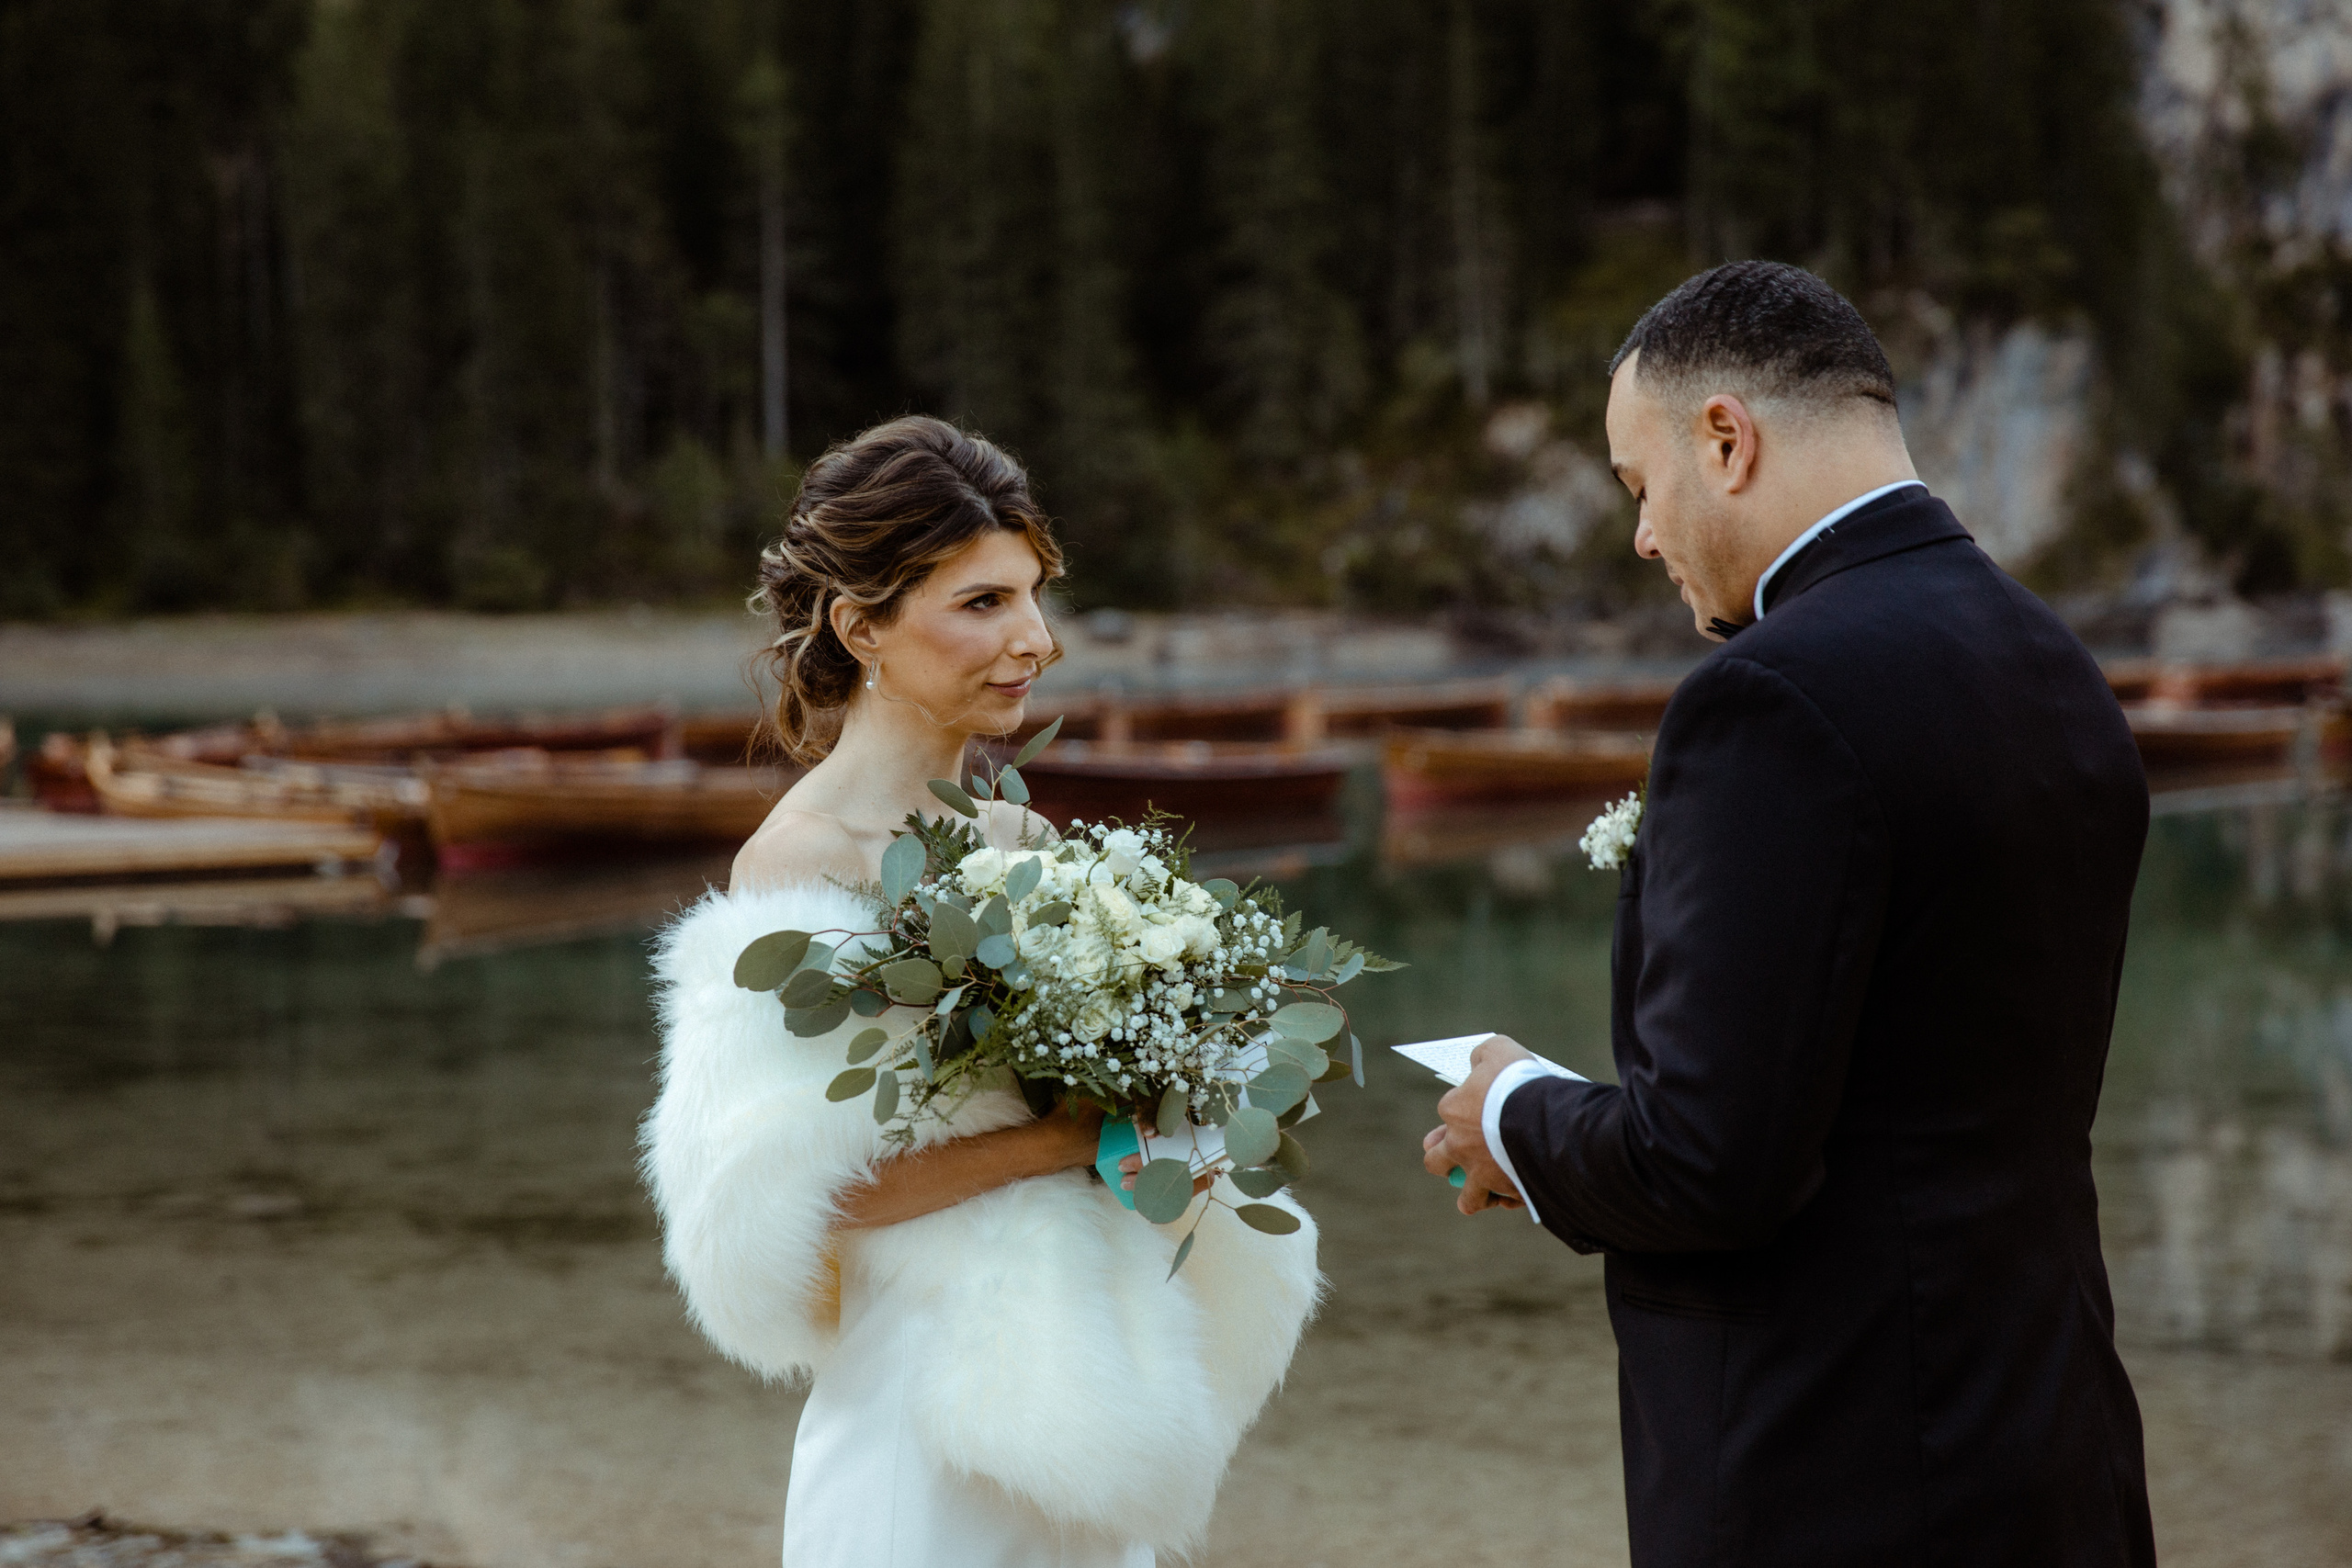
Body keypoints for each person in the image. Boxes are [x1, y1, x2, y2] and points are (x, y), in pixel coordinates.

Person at [1420, 263, 2157, 1566]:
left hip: (1843, 1474)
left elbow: (1710, 1159)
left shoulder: (1772, 699)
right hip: (2053, 1444)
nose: (1643, 537)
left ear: (1727, 438)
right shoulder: (2055, 665)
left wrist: (1514, 1111)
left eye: (1641, 486)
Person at [642, 416, 1319, 1567]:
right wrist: (1062, 1142)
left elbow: (1104, 1118)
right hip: (922, 1420)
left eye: (1034, 595)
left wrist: (1185, 1076)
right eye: (983, 605)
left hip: (1081, 1390)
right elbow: (802, 1199)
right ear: (862, 627)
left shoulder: (1022, 836)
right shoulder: (802, 865)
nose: (1037, 641)